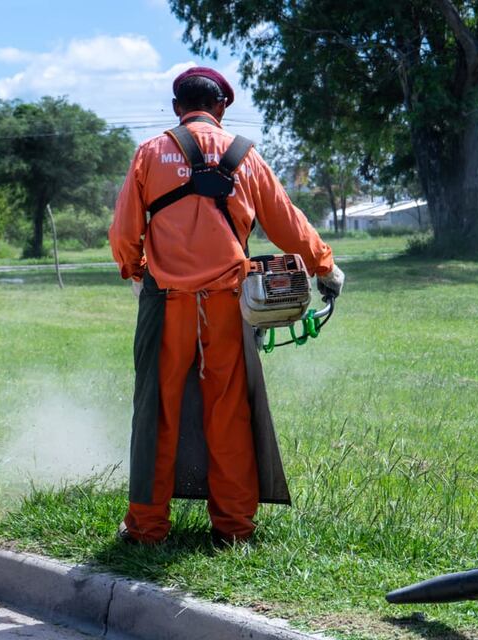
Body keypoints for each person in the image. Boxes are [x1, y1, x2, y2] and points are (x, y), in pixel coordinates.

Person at [108, 66, 345, 546]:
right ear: (221, 108)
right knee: (228, 411)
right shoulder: (246, 156)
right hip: (228, 303)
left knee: (157, 410)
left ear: (177, 108)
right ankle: (234, 528)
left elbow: (124, 230)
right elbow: (289, 224)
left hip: (167, 303)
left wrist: (135, 270)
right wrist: (325, 266)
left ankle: (147, 528)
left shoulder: (150, 153)